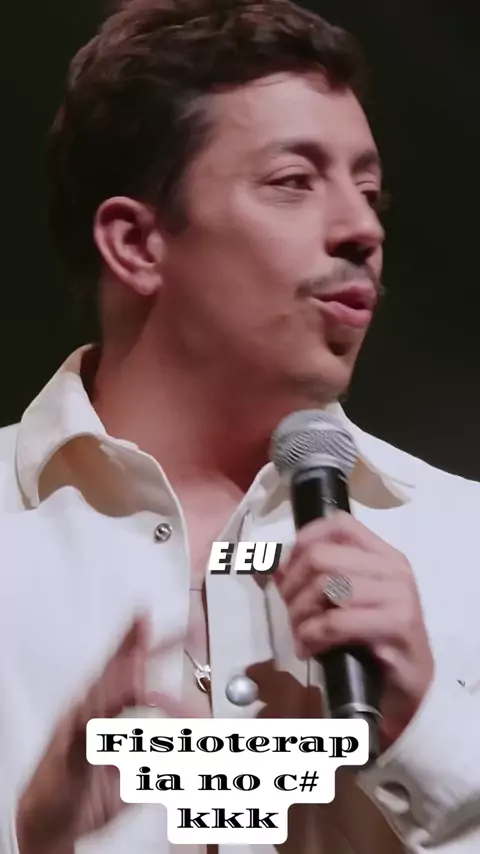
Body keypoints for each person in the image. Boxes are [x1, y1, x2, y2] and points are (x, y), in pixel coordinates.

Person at [1, 0, 480, 852]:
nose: (362, 228)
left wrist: (427, 729)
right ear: (136, 244)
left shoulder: (466, 542)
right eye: (293, 181)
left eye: (370, 192)